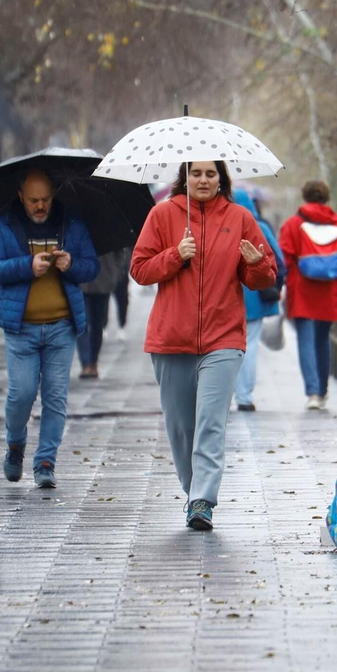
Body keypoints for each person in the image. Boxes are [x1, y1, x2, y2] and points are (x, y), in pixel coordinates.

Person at [131, 160, 276, 530]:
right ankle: (192, 488)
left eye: (211, 174)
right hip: (170, 338)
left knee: (211, 421)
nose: (203, 180)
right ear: (185, 177)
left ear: (221, 179)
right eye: (196, 173)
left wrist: (257, 265)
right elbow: (140, 269)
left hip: (223, 337)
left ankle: (202, 499)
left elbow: (263, 277)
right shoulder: (163, 215)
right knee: (181, 427)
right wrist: (175, 255)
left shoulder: (240, 217)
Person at [0, 170, 97, 488]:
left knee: (55, 397)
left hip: (62, 326)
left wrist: (71, 264)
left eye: (46, 199)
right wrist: (26, 266)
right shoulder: (6, 226)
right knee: (22, 394)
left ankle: (46, 462)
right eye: (34, 200)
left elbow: (92, 267)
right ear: (21, 196)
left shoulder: (70, 223)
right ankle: (15, 444)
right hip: (22, 329)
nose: (40, 205)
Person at [279, 179, 337, 410]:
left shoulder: (293, 225)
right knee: (323, 339)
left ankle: (313, 393)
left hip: (301, 289)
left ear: (304, 197)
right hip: (329, 290)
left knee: (305, 340)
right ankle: (322, 391)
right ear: (326, 197)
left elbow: (285, 260)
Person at [230, 188, 285, 412]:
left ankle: (230, 393)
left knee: (228, 348)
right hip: (254, 299)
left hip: (228, 299)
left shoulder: (223, 227)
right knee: (249, 346)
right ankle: (244, 396)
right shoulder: (259, 227)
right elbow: (278, 261)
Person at [77, 247, 131, 379]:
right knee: (82, 323)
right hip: (81, 282)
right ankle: (86, 364)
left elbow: (120, 253)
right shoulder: (78, 227)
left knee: (97, 325)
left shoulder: (108, 228)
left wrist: (115, 275)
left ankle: (93, 361)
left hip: (103, 282)